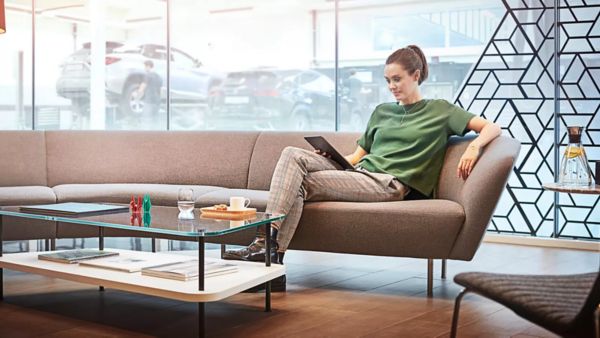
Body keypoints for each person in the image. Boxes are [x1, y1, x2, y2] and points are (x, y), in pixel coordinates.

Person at [223, 45, 502, 291]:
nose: (392, 86)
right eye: (387, 80)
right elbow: (356, 157)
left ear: (416, 75)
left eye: (397, 79)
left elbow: (492, 127)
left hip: (389, 183)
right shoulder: (382, 111)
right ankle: (271, 259)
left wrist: (475, 147)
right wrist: (332, 158)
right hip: (360, 173)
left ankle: (266, 251)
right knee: (292, 155)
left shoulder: (441, 110)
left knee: (300, 185)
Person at [135, 60, 163, 125]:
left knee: (146, 122)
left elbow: (141, 89)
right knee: (155, 122)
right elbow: (160, 92)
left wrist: (137, 98)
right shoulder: (159, 77)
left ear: (148, 66)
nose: (144, 68)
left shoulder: (147, 76)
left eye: (145, 66)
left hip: (149, 102)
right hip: (157, 103)